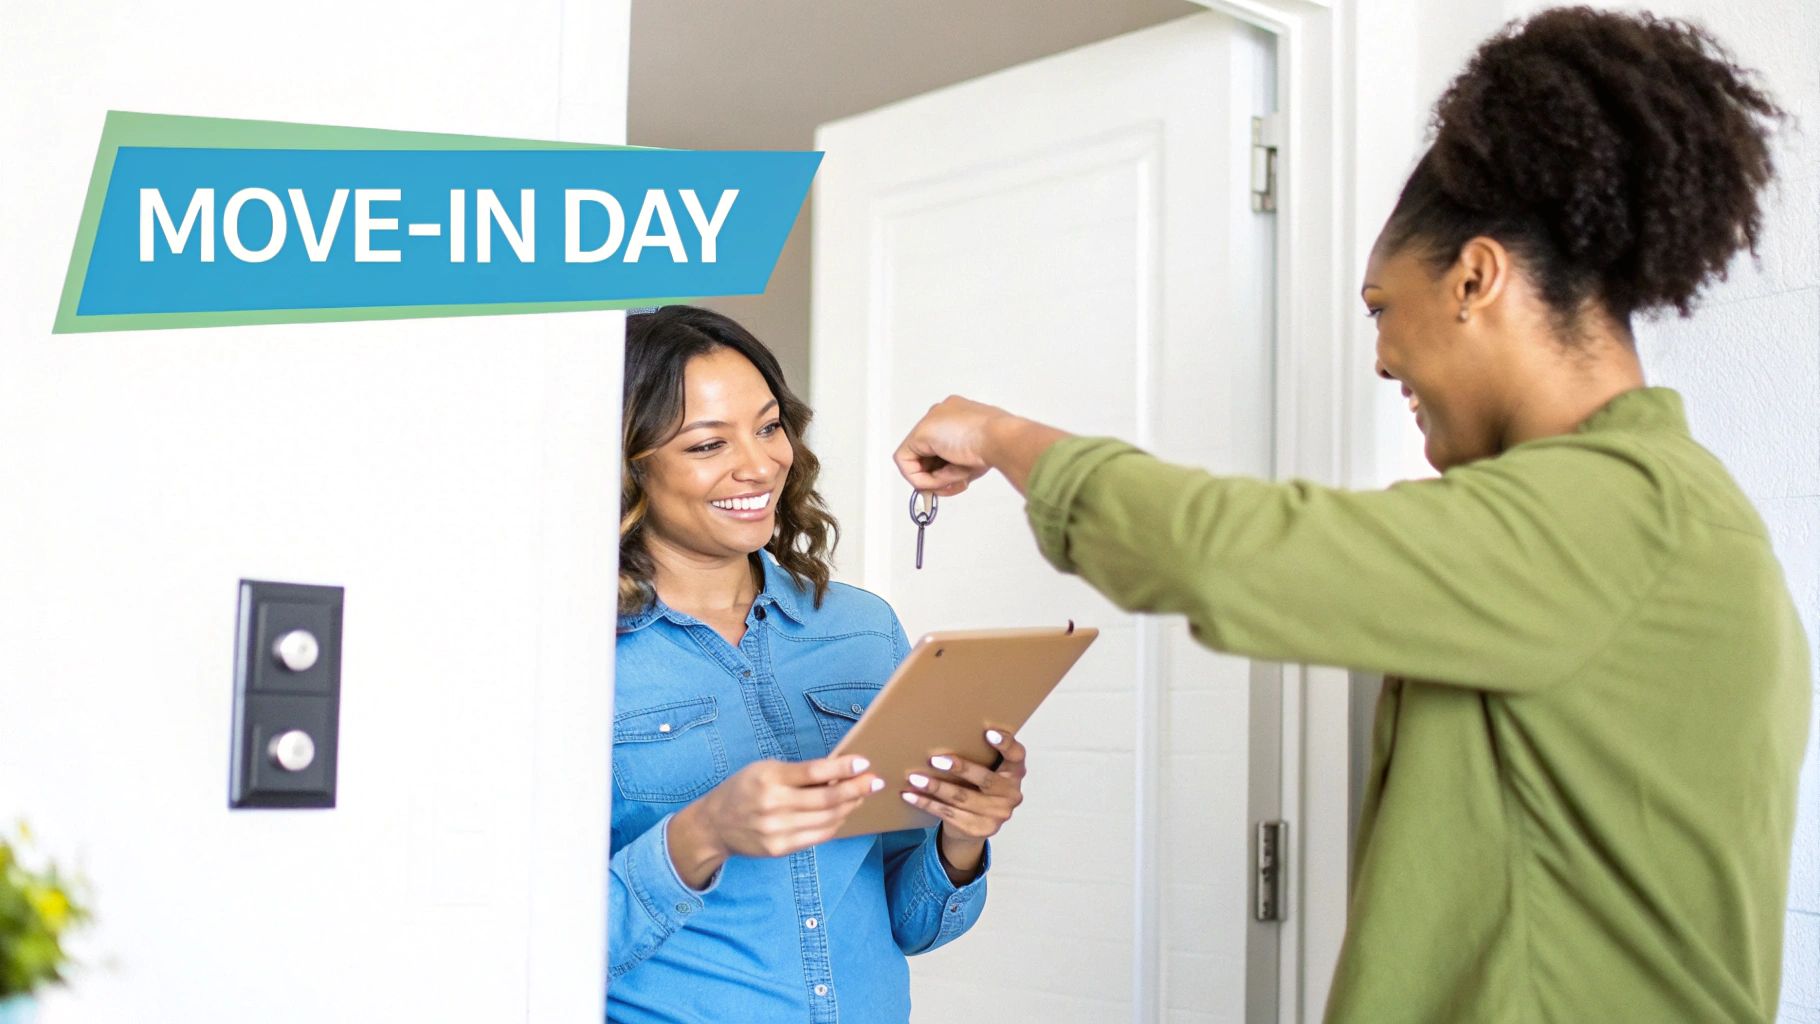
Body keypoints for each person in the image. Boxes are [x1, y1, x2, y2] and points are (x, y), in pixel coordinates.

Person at [890, 8, 1808, 1022]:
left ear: (1475, 277)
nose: (1378, 356)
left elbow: (1219, 553)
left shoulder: (1615, 513)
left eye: (1381, 306)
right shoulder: (1653, 518)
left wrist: (1000, 435)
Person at [607, 305, 1028, 1023]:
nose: (762, 463)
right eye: (708, 444)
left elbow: (913, 925)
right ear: (629, 468)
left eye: (769, 426)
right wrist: (700, 833)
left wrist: (962, 836)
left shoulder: (862, 629)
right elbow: (520, 940)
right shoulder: (573, 658)